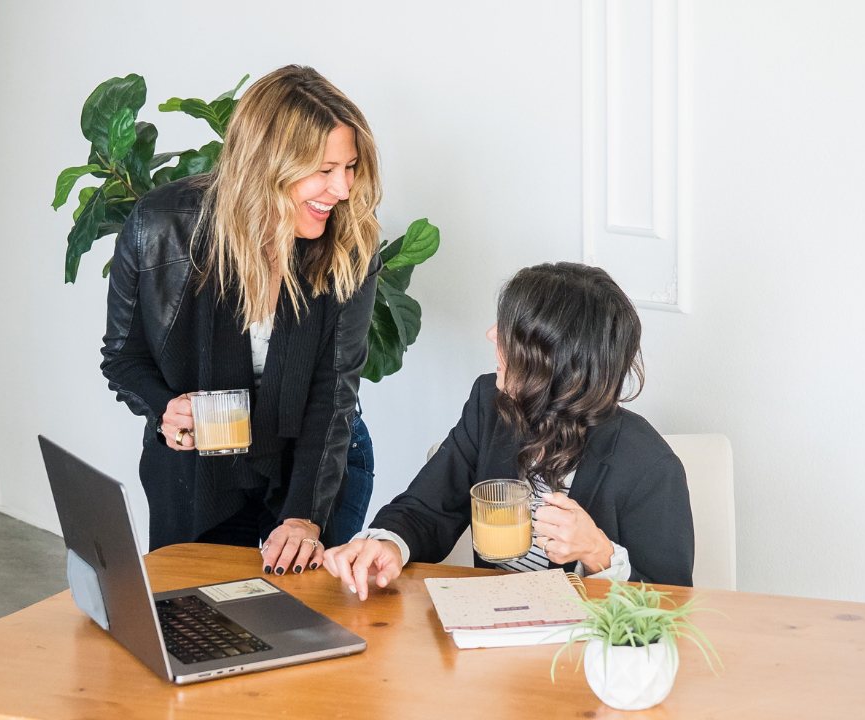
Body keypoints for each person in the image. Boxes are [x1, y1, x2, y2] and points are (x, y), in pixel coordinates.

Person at [100, 65, 381, 577]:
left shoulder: (350, 240)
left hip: (316, 462)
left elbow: (333, 392)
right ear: (265, 164)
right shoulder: (159, 225)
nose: (342, 189)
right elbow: (123, 357)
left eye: (351, 166)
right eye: (323, 169)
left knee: (313, 630)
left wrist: (304, 516)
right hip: (199, 469)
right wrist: (166, 409)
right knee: (195, 614)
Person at [323, 263, 695, 598]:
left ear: (554, 361)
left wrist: (599, 553)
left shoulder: (650, 466)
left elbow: (672, 604)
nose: (490, 334)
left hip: (581, 656)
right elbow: (427, 507)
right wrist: (387, 543)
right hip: (491, 638)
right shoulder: (489, 403)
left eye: (510, 332)